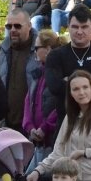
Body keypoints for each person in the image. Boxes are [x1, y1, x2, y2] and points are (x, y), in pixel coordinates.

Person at [44, 5, 91, 128]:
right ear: (68, 27)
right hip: (68, 124)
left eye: (84, 27)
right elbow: (55, 87)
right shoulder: (55, 56)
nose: (79, 32)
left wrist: (69, 80)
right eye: (75, 27)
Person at [23, 29, 60, 165]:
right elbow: (28, 101)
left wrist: (45, 128)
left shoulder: (59, 73)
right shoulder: (39, 72)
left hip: (51, 141)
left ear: (48, 49)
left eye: (37, 48)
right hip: (37, 140)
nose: (34, 51)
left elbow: (61, 106)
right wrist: (29, 126)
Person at [0, 8, 37, 130]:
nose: (13, 30)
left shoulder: (40, 49)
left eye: (17, 26)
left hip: (32, 125)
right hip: (6, 123)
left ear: (29, 26)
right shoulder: (2, 50)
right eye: (9, 26)